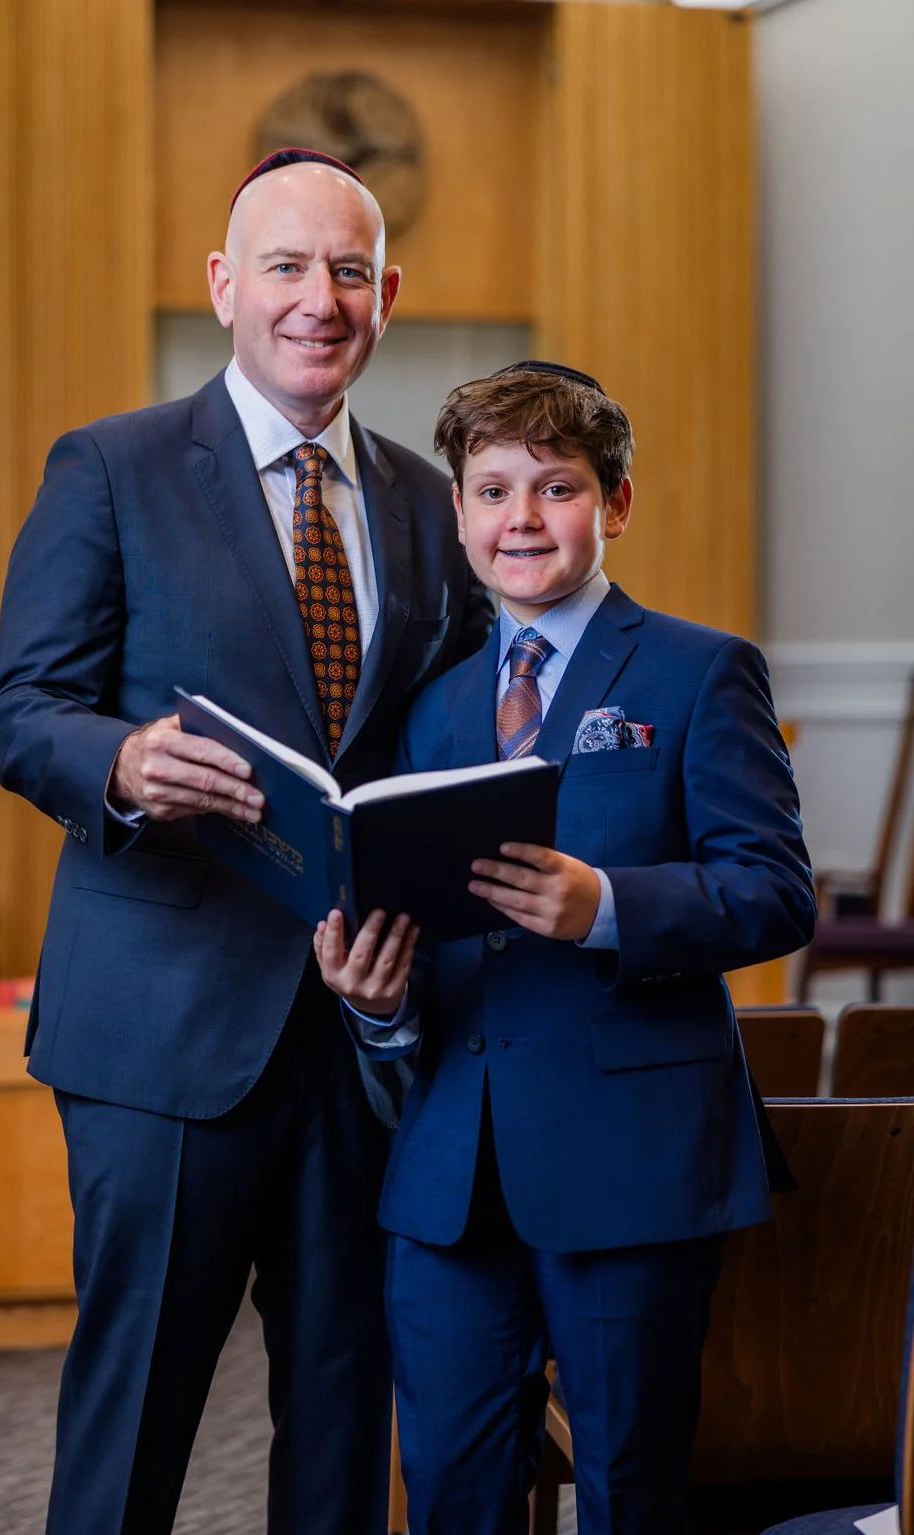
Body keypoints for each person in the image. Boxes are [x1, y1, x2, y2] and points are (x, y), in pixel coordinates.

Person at [0, 148, 493, 1535]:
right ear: (224, 285)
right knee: (135, 1421)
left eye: (348, 271)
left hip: (361, 1032)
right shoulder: (112, 466)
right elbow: (19, 713)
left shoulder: (428, 503)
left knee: (343, 1421)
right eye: (286, 265)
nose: (319, 297)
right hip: (162, 1038)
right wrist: (121, 760)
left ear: (387, 295)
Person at [315, 361, 817, 1535]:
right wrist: (374, 998)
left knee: (630, 1488)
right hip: (449, 1175)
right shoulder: (432, 708)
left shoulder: (700, 670)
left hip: (629, 1159)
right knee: (449, 1488)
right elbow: (428, 932)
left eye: (556, 487)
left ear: (615, 503)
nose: (522, 519)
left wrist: (605, 904)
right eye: (492, 491)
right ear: (458, 514)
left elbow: (775, 893)